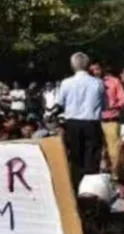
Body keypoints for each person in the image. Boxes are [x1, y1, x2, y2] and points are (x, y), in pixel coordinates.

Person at [56, 52, 106, 192]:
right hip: (92, 123)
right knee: (92, 159)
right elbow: (104, 105)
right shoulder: (98, 83)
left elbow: (60, 103)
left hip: (72, 124)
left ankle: (74, 190)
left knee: (76, 159)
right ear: (88, 65)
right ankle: (91, 193)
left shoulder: (66, 83)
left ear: (72, 65)